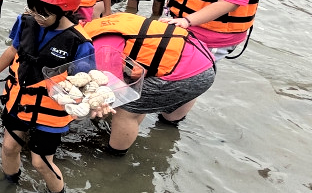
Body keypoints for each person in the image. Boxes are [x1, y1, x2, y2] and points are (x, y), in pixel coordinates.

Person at [0, 0, 95, 193]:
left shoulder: (79, 42)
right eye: (33, 9)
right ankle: (9, 183)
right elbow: (14, 49)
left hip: (50, 110)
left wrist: (93, 103)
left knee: (41, 162)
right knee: (9, 147)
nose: (37, 17)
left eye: (44, 13)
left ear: (64, 11)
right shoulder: (26, 21)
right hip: (20, 99)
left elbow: (85, 82)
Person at [84, 13, 215, 154]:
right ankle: (170, 124)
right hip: (203, 60)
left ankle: (114, 155)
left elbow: (116, 91)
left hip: (187, 75)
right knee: (157, 107)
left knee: (126, 106)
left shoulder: (99, 48)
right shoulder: (101, 25)